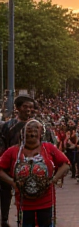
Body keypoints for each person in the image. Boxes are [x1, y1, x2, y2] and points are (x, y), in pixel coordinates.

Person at [0, 119, 70, 227]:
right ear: (22, 133)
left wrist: (54, 179)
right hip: (24, 203)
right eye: (28, 130)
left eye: (35, 130)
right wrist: (12, 182)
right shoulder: (13, 151)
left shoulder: (48, 148)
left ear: (41, 133)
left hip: (46, 202)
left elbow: (66, 164)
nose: (31, 134)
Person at [0, 95, 35, 227]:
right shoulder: (6, 127)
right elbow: (2, 147)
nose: (28, 110)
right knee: (5, 192)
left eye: (31, 107)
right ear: (18, 108)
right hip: (10, 165)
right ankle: (4, 219)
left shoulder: (38, 126)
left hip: (31, 165)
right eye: (25, 106)